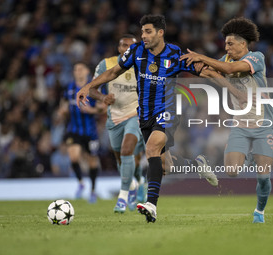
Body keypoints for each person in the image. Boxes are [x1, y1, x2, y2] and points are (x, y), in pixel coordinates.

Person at [77, 14, 220, 223]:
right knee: (165, 167)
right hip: (145, 115)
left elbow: (205, 72)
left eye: (148, 31)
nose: (143, 35)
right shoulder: (136, 52)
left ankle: (151, 204)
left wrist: (233, 86)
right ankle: (197, 165)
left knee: (152, 148)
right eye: (142, 31)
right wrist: (88, 87)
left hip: (167, 111)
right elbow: (113, 72)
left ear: (160, 33)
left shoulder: (175, 53)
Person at [180, 17, 273, 223]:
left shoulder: (256, 58)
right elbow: (216, 73)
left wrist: (202, 57)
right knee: (231, 171)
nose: (226, 47)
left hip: (264, 123)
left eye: (230, 43)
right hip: (241, 123)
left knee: (263, 176)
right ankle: (246, 157)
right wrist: (202, 69)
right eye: (225, 43)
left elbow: (231, 71)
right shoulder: (225, 60)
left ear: (243, 44)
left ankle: (259, 211)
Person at [92, 34, 146, 213]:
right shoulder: (106, 65)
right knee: (122, 160)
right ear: (119, 48)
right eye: (124, 45)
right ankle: (136, 184)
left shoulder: (144, 63)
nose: (128, 49)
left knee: (127, 151)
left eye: (132, 46)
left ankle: (122, 197)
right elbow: (92, 89)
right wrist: (103, 97)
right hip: (114, 118)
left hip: (136, 115)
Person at [58, 62, 106, 203]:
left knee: (92, 161)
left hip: (90, 131)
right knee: (73, 156)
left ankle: (92, 190)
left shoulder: (93, 88)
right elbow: (63, 105)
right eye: (75, 69)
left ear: (87, 72)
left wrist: (90, 110)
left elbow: (102, 108)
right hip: (74, 130)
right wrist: (62, 111)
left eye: (80, 69)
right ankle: (80, 182)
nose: (77, 71)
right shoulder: (69, 88)